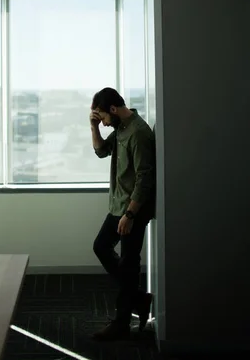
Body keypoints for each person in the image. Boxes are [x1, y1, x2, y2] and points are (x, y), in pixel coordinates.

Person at [90, 87, 156, 341]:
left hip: (132, 209)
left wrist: (130, 214)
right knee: (101, 246)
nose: (105, 123)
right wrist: (94, 126)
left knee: (128, 263)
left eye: (104, 118)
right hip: (119, 206)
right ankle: (139, 298)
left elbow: (144, 178)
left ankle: (121, 322)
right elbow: (100, 151)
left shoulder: (138, 133)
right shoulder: (120, 128)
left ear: (114, 110)